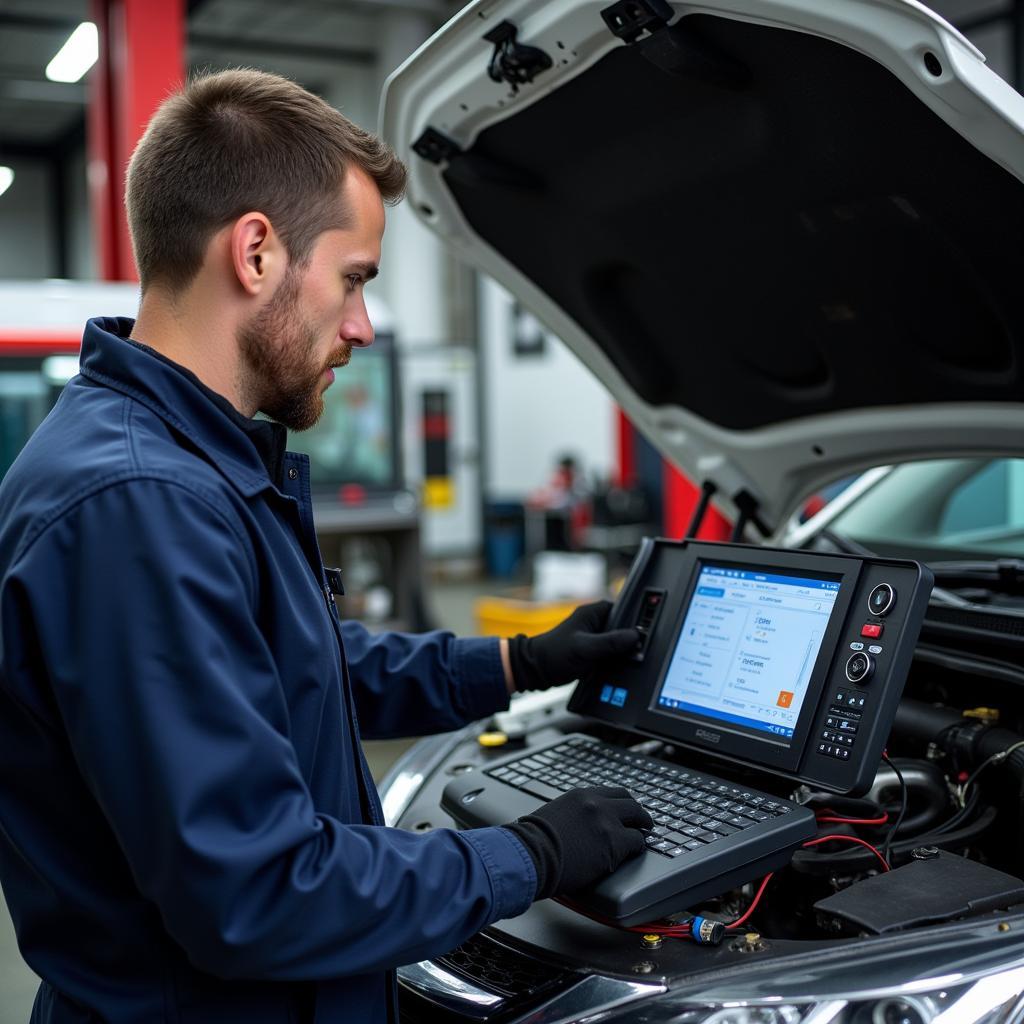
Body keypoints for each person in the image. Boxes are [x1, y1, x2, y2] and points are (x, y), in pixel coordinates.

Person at [0, 70, 652, 1023]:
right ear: (257, 252)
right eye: (353, 279)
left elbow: (286, 666)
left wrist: (519, 659)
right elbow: (258, 893)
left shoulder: (182, 461)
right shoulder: (139, 504)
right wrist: (530, 856)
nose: (361, 325)